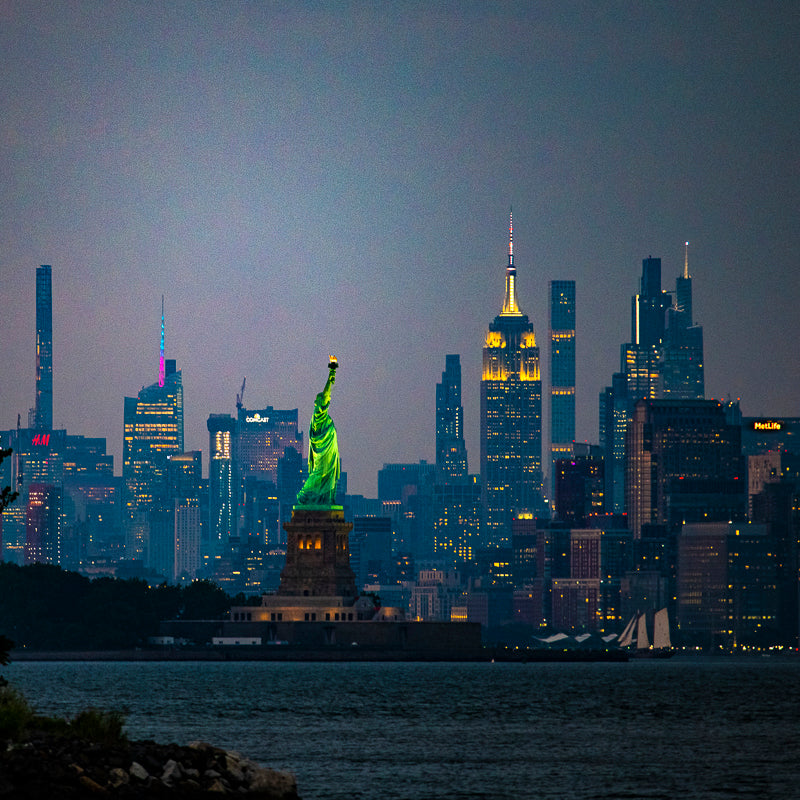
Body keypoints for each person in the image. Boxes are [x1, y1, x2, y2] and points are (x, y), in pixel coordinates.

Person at [295, 357, 340, 507]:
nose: (323, 402)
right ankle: (307, 495)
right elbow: (327, 391)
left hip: (326, 452)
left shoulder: (318, 418)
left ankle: (320, 498)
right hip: (323, 452)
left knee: (323, 474)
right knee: (320, 473)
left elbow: (327, 393)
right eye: (321, 401)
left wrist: (332, 373)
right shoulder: (319, 417)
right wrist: (332, 372)